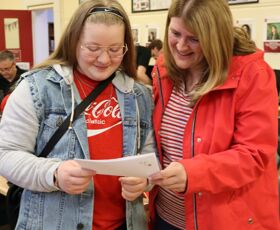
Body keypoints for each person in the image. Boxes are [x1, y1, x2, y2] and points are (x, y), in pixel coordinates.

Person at [0, 0, 156, 229]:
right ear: (74, 42)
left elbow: (150, 157)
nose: (104, 59)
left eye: (115, 50)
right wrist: (54, 173)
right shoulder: (37, 88)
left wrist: (146, 180)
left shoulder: (138, 95)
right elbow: (6, 155)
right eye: (93, 48)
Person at [149, 0, 280, 229]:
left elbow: (254, 155)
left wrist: (193, 173)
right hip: (166, 217)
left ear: (215, 38)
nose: (180, 46)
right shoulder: (164, 70)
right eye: (175, 33)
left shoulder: (252, 75)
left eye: (194, 39)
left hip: (224, 220)